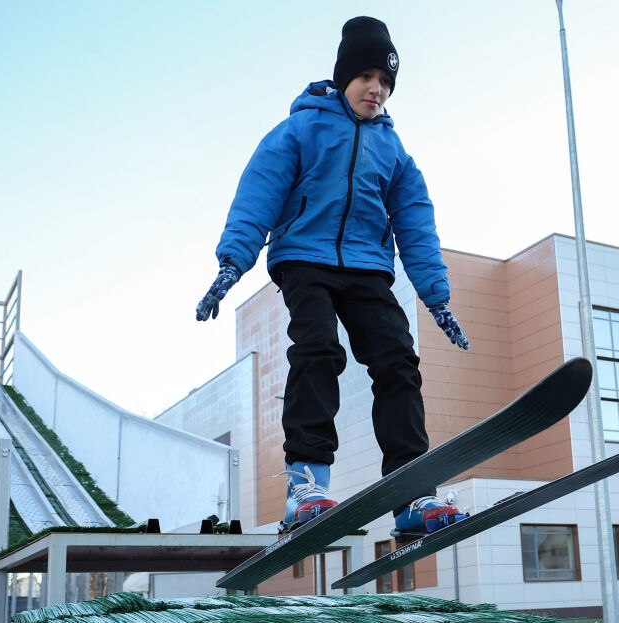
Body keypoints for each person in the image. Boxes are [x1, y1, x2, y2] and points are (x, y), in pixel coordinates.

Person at [196, 17, 469, 535]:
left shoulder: (393, 150)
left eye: (386, 82)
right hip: (304, 257)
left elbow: (415, 220)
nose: (377, 89)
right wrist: (233, 261)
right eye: (367, 76)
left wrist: (436, 296)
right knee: (318, 349)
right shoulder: (300, 129)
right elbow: (259, 194)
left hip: (367, 267)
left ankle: (412, 495)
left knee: (398, 362)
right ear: (344, 76)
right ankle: (306, 485)